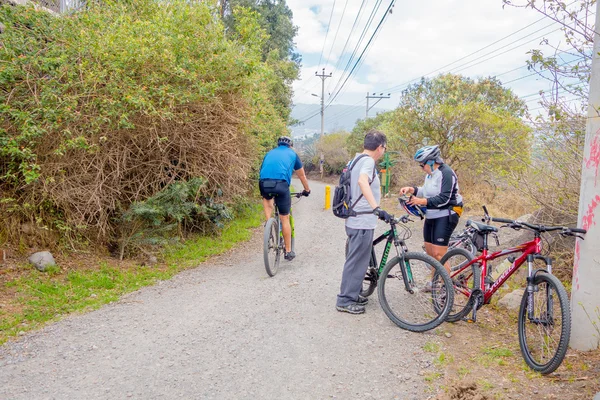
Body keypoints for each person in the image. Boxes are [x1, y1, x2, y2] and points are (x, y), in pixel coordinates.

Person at [336, 130, 391, 315]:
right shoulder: (367, 161)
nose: (384, 151)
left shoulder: (356, 159)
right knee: (357, 261)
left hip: (355, 217)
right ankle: (345, 300)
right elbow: (362, 181)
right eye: (384, 148)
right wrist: (376, 207)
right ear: (379, 147)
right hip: (361, 219)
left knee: (358, 259)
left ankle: (352, 292)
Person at [399, 145, 463, 266]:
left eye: (422, 165)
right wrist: (411, 189)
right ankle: (434, 283)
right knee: (430, 255)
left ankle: (446, 284)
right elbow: (426, 191)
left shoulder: (446, 173)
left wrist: (421, 201)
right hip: (431, 215)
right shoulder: (430, 174)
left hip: (447, 214)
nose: (422, 168)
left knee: (439, 255)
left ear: (431, 161)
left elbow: (445, 198)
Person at [259, 136, 311, 261]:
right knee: (284, 217)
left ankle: (269, 224)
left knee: (267, 200)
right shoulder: (293, 154)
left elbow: (263, 170)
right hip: (281, 185)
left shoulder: (269, 153)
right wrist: (307, 190)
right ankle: (288, 251)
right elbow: (302, 175)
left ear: (278, 144)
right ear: (290, 145)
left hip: (264, 183)